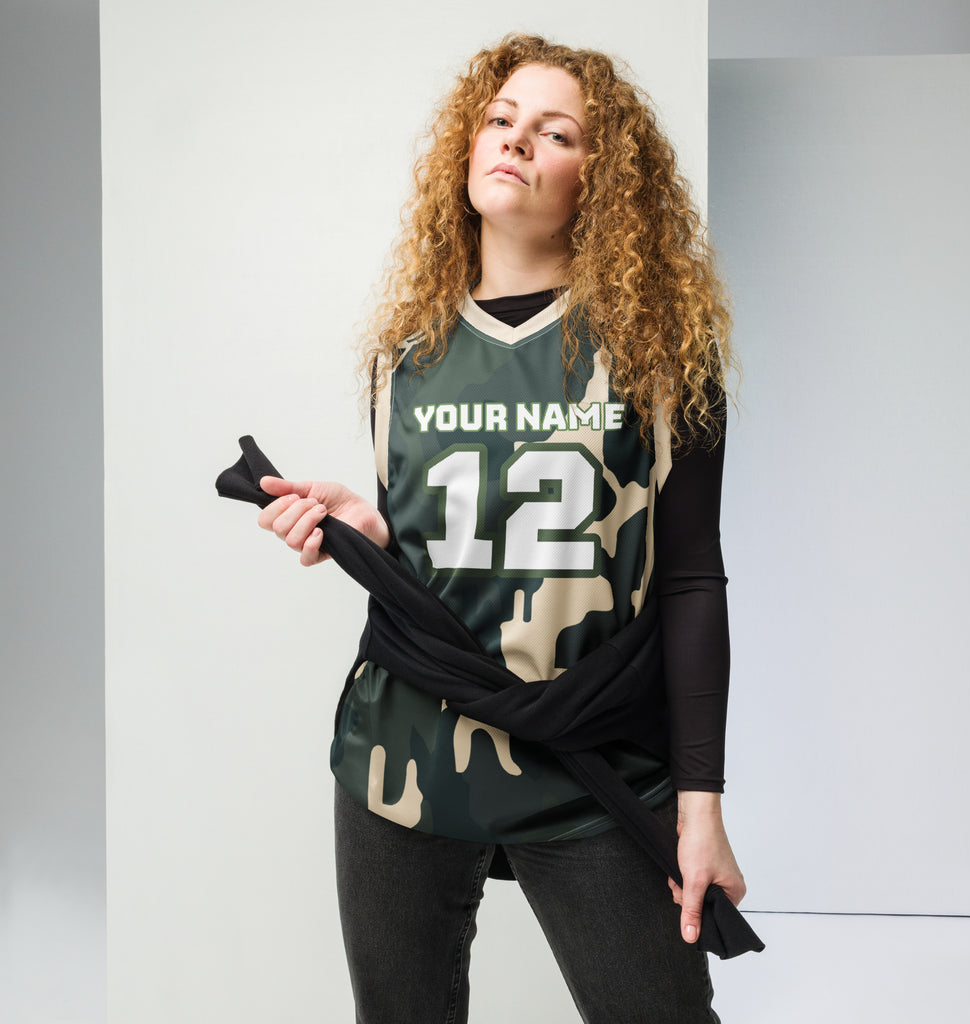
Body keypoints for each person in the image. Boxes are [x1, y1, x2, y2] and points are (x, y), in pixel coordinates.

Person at [256, 34, 745, 1024]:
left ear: (600, 181)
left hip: (591, 760)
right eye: (501, 119)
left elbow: (691, 579)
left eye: (555, 133)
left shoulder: (659, 357)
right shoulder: (405, 355)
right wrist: (371, 535)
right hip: (405, 757)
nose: (517, 141)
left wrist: (701, 808)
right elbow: (448, 559)